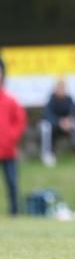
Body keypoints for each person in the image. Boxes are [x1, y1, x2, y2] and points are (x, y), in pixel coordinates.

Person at [0, 58, 26, 215]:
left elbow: (20, 121)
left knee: (12, 184)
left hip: (8, 150)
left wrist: (11, 137)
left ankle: (15, 213)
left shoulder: (10, 100)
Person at [39, 79, 75, 167]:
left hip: (67, 126)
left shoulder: (69, 99)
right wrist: (59, 122)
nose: (61, 90)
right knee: (45, 127)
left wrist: (68, 121)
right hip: (54, 126)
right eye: (59, 88)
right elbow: (47, 115)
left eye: (63, 88)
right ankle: (47, 154)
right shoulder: (51, 99)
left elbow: (73, 112)